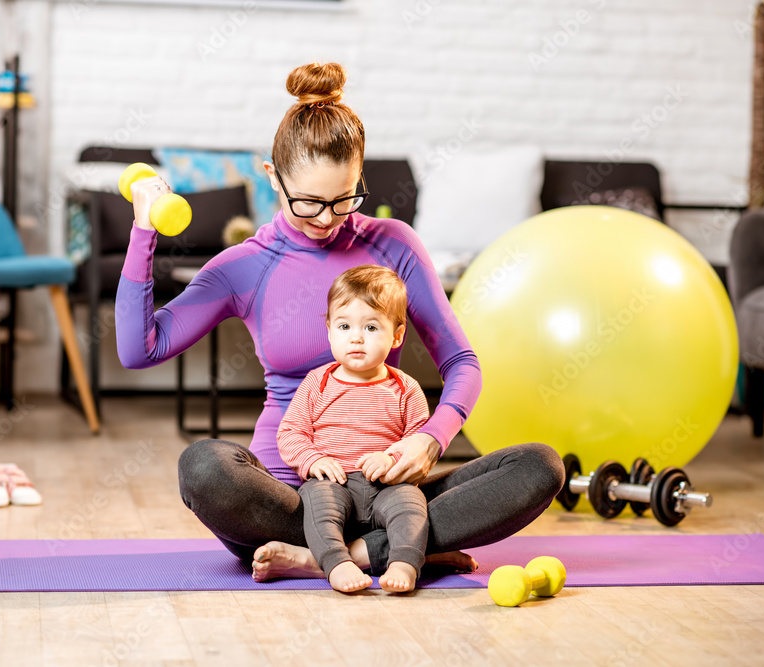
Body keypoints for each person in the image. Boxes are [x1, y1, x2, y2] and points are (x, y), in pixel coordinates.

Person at [117, 62, 565, 582]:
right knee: (202, 466)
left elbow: (461, 362)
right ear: (272, 178)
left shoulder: (393, 243)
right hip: (285, 499)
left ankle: (333, 557)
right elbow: (138, 349)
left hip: (390, 492)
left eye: (343, 199)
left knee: (540, 466)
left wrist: (430, 440)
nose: (328, 219)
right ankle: (397, 551)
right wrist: (142, 233)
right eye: (309, 202)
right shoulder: (246, 265)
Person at [278, 265, 430, 593]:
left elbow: (418, 442)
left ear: (397, 335)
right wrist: (312, 460)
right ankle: (337, 563)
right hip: (334, 481)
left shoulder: (406, 389)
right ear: (330, 329)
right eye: (345, 326)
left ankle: (405, 562)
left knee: (412, 505)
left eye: (372, 327)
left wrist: (392, 459)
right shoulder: (317, 383)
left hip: (387, 486)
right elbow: (290, 433)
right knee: (319, 506)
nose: (356, 337)